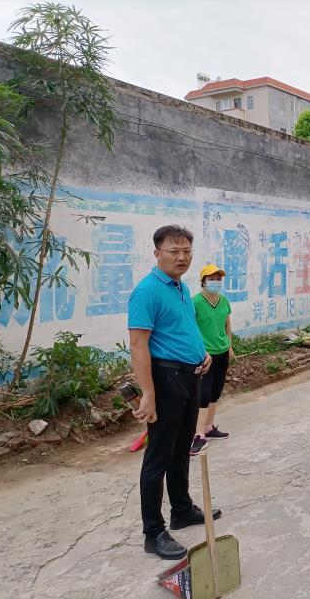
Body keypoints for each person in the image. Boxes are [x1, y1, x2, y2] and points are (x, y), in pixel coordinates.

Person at [128, 225, 219, 560]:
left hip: (190, 376)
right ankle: (153, 532)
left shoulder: (179, 287)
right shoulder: (147, 291)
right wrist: (147, 393)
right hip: (166, 380)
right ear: (157, 253)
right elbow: (138, 345)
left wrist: (202, 353)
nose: (182, 257)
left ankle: (181, 509)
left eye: (187, 251)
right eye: (174, 251)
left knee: (182, 449)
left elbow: (184, 327)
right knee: (158, 456)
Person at [189, 264, 234, 456]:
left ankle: (208, 427)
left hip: (222, 352)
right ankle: (198, 435)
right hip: (204, 355)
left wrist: (230, 346)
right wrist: (197, 352)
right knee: (203, 395)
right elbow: (190, 328)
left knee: (216, 392)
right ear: (203, 281)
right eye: (211, 278)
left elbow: (227, 324)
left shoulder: (223, 301)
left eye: (218, 278)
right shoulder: (195, 302)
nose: (215, 282)